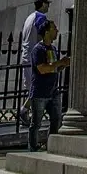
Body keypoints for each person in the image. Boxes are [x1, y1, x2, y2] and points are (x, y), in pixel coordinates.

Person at [27, 19, 68, 152]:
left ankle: (52, 145)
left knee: (56, 119)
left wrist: (62, 65)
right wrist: (59, 63)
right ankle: (33, 148)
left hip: (53, 91)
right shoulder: (38, 49)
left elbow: (53, 68)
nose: (56, 30)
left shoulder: (53, 49)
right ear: (46, 32)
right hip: (40, 92)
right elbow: (42, 69)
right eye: (54, 28)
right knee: (36, 123)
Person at [16, 0, 50, 126]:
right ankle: (25, 111)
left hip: (26, 55)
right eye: (47, 4)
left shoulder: (29, 17)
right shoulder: (41, 17)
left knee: (33, 87)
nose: (48, 6)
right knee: (37, 87)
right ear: (42, 4)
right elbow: (44, 35)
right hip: (34, 57)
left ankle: (27, 111)